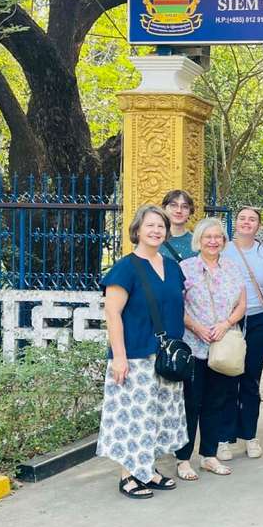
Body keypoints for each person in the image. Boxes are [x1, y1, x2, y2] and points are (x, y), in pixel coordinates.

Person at [97, 205, 187, 499]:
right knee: (133, 418)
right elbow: (113, 314)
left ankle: (148, 469)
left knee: (159, 416)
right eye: (150, 225)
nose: (156, 231)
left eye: (160, 226)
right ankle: (128, 475)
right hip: (134, 354)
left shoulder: (173, 267)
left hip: (164, 357)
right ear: (137, 230)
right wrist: (119, 356)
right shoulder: (125, 268)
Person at [177, 218, 247, 479]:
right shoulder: (186, 268)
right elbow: (178, 306)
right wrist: (196, 327)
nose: (213, 241)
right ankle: (183, 458)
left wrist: (226, 324)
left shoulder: (231, 268)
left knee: (216, 402)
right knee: (191, 404)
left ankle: (209, 455)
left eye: (218, 237)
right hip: (194, 345)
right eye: (208, 237)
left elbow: (241, 304)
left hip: (223, 346)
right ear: (199, 240)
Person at [217, 206, 263, 461]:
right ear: (235, 223)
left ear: (259, 225)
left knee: (251, 380)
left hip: (259, 318)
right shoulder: (223, 249)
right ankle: (223, 437)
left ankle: (250, 435)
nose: (246, 223)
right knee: (228, 378)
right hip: (230, 321)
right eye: (242, 218)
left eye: (252, 219)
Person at [161, 189, 196, 262]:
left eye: (184, 206)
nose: (179, 211)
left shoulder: (197, 242)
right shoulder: (153, 240)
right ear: (164, 208)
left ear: (190, 211)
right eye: (173, 205)